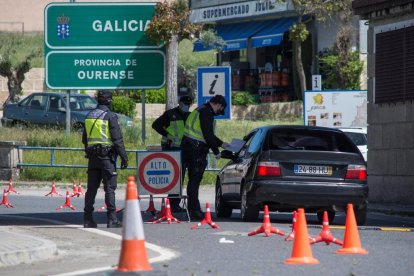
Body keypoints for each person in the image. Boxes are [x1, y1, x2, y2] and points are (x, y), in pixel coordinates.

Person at [82, 90, 128, 228]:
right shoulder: (110, 116)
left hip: (92, 157)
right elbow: (117, 139)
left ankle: (87, 219)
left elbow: (84, 139)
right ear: (109, 101)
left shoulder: (89, 115)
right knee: (109, 189)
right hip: (107, 158)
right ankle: (112, 219)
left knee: (91, 189)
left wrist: (89, 151)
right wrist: (124, 157)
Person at [181, 95, 229, 220]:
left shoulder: (200, 109)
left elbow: (206, 134)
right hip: (196, 150)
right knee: (194, 180)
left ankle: (191, 208)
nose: (219, 112)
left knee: (190, 179)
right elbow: (207, 135)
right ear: (218, 104)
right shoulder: (207, 113)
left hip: (188, 147)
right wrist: (216, 151)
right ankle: (195, 210)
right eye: (220, 109)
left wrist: (222, 144)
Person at [152, 95, 193, 212]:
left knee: (180, 177)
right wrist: (167, 135)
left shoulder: (189, 115)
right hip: (171, 149)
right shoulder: (170, 114)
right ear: (179, 103)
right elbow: (155, 125)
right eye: (185, 104)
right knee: (173, 176)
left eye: (188, 105)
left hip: (183, 149)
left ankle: (174, 203)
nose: (186, 106)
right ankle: (172, 204)